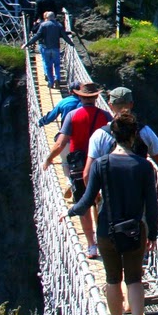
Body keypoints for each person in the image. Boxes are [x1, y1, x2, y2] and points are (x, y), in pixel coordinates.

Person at [61, 112, 158, 315]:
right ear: (134, 136)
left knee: (113, 279)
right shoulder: (144, 166)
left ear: (112, 135)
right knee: (134, 279)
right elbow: (152, 205)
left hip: (107, 230)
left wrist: (69, 212)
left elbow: (87, 200)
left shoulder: (101, 164)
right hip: (134, 230)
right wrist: (153, 233)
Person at [43, 82, 111, 258]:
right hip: (103, 165)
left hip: (79, 167)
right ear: (96, 97)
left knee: (83, 203)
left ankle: (91, 245)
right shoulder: (105, 116)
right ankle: (104, 239)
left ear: (79, 96)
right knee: (100, 201)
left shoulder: (72, 115)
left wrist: (49, 159)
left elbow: (61, 143)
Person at [85, 87, 158, 191]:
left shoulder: (99, 135)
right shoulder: (145, 132)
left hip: (110, 196)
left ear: (110, 106)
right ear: (131, 104)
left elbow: (87, 174)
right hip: (138, 195)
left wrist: (94, 197)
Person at [22, 10, 74, 88]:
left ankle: (51, 82)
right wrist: (71, 43)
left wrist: (27, 44)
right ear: (54, 17)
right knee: (57, 64)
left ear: (47, 17)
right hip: (56, 48)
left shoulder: (43, 25)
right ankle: (57, 79)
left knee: (48, 65)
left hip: (45, 48)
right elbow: (64, 36)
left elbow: (37, 36)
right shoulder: (58, 25)